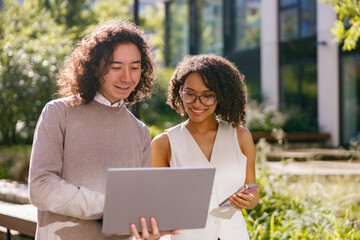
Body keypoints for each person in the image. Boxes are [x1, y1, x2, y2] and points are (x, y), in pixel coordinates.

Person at [28, 20, 177, 240]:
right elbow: (41, 187)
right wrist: (109, 207)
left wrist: (148, 230)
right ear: (96, 67)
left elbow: (138, 205)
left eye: (135, 67)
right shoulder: (59, 112)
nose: (127, 77)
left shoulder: (141, 133)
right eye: (116, 67)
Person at [152, 54, 260, 240]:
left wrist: (249, 201)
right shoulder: (164, 143)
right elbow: (155, 203)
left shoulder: (241, 136)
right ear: (179, 91)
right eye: (189, 93)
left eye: (207, 96)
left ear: (221, 96)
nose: (197, 102)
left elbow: (252, 192)